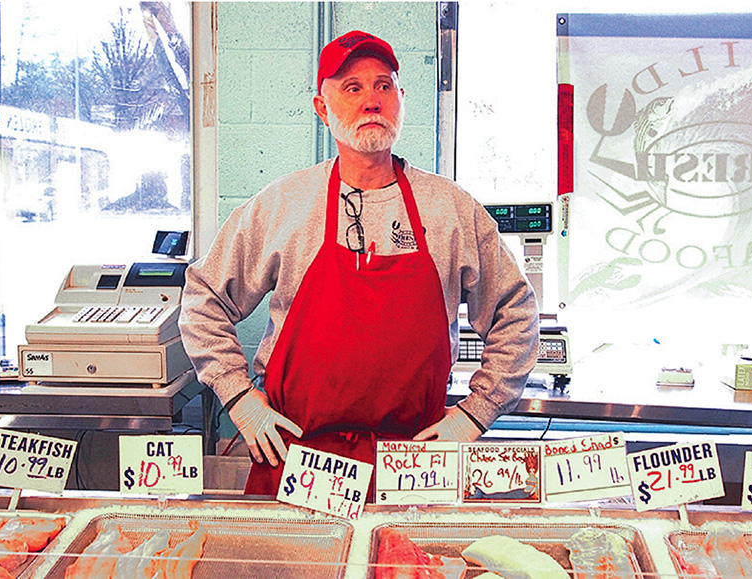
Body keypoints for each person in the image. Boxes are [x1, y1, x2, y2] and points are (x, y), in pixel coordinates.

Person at [179, 30, 539, 497]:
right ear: (322, 108)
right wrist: (241, 400)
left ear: (401, 99)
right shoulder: (283, 205)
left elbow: (517, 312)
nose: (372, 100)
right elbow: (203, 300)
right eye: (352, 88)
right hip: (300, 462)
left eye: (383, 86)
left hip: (417, 462)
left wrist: (475, 414)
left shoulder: (451, 210)